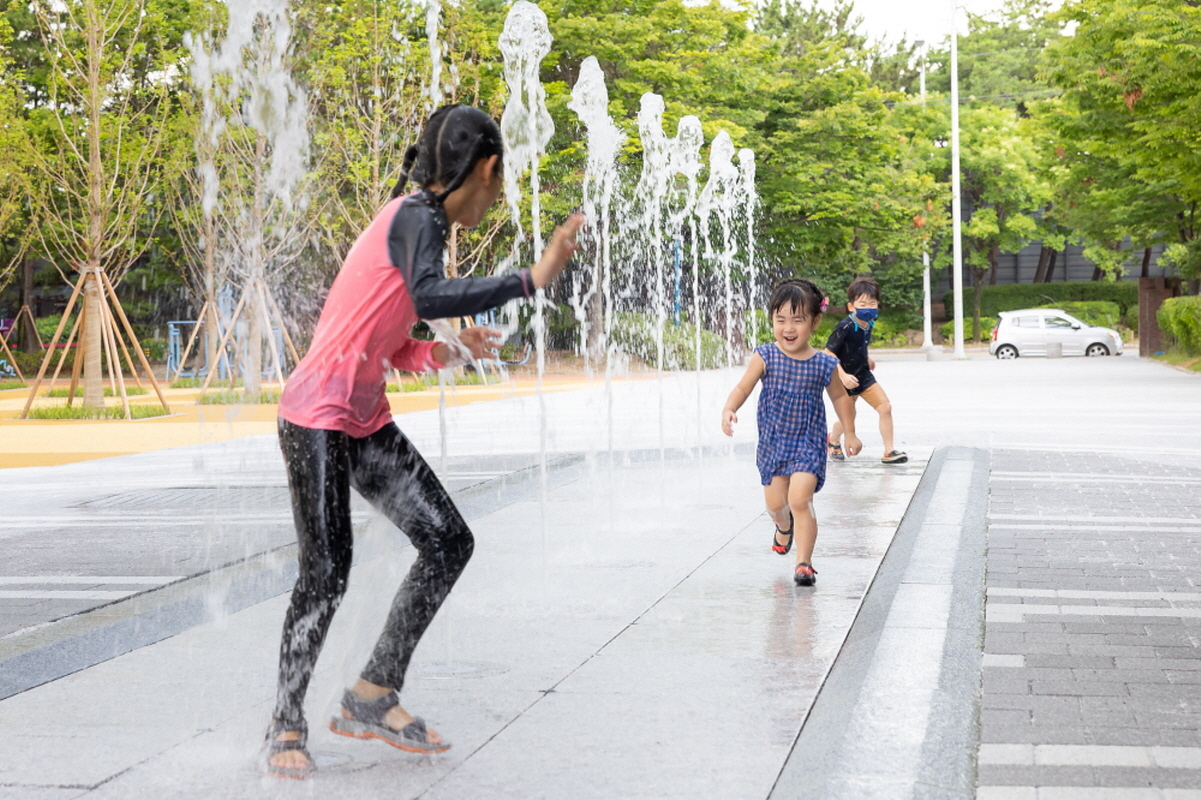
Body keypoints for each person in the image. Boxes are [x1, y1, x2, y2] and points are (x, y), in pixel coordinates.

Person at [264, 104, 584, 779]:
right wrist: (532, 277)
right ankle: (285, 722)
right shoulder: (417, 216)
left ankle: (373, 691)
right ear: (486, 169)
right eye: (499, 183)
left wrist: (445, 353)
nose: (495, 198)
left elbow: (387, 336)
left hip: (361, 417)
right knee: (326, 573)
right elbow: (430, 294)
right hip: (315, 417)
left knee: (448, 540)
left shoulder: (416, 219)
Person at [721, 279, 861, 587]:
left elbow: (840, 398)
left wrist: (849, 432)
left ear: (814, 321)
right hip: (773, 444)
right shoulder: (766, 356)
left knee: (800, 499)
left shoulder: (824, 363)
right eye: (780, 319)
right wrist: (730, 407)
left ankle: (804, 563)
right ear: (771, 320)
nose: (788, 327)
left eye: (797, 320)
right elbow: (744, 386)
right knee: (775, 505)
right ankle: (783, 527)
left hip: (808, 444)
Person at [824, 277, 908, 464]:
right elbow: (828, 352)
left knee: (885, 407)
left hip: (863, 375)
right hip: (844, 380)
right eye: (863, 303)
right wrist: (843, 376)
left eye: (872, 303)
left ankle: (889, 451)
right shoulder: (845, 326)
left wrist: (866, 358)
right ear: (851, 306)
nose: (868, 307)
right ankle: (833, 440)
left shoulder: (868, 324)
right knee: (849, 418)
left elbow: (858, 346)